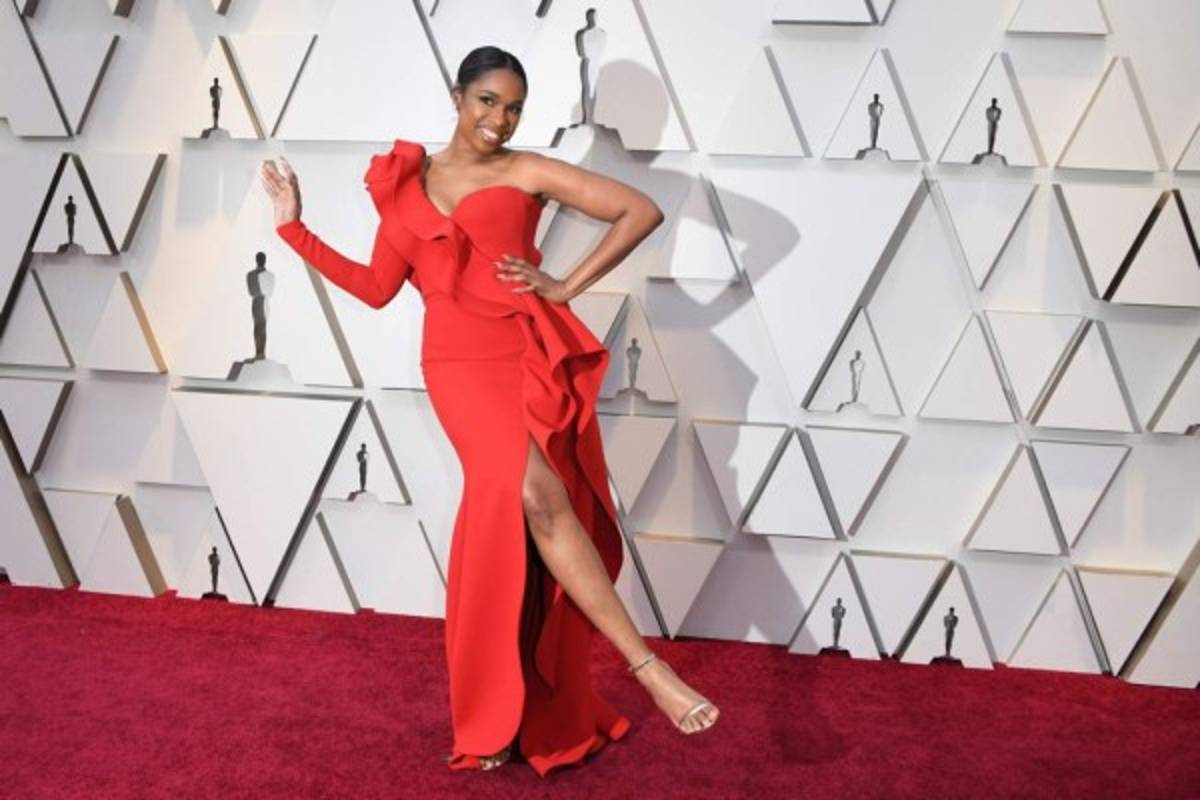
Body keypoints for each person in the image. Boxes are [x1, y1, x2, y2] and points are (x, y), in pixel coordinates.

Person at [260, 45, 718, 777]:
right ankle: (648, 671)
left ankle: (510, 714)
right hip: (457, 364)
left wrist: (564, 285)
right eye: (487, 102)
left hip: (521, 349)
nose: (499, 120)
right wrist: (294, 228)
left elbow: (641, 209)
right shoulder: (406, 185)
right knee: (536, 495)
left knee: (521, 515)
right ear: (457, 96)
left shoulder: (526, 171)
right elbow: (379, 287)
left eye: (512, 108)